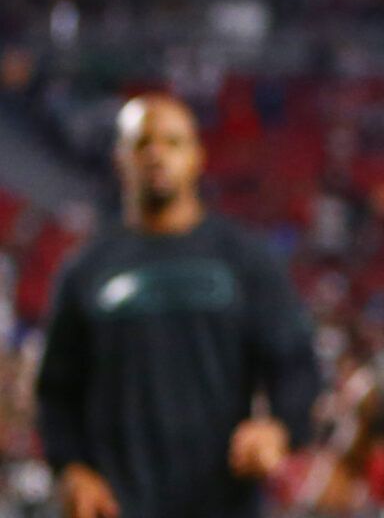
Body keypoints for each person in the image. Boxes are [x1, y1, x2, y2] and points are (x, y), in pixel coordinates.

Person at [34, 94, 319, 518]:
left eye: (172, 142)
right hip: (118, 505)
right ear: (120, 158)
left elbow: (295, 366)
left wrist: (278, 428)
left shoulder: (245, 259)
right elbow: (56, 392)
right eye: (142, 143)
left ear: (197, 157)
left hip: (223, 503)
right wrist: (72, 469)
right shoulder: (86, 269)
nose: (156, 155)